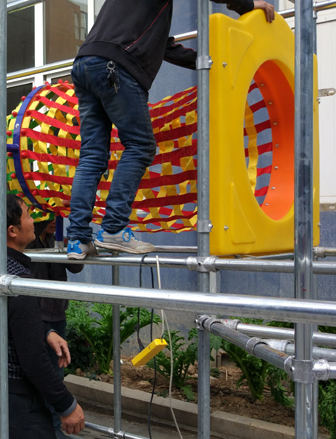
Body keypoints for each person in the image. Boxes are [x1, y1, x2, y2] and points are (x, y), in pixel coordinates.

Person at [66, 0, 276, 260]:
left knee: (92, 155)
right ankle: (113, 228)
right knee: (140, 146)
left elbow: (164, 46)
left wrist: (208, 61)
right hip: (116, 66)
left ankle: (77, 238)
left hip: (85, 63)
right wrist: (248, 4)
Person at [0, 195, 85, 439]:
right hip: (10, 394)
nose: (34, 221)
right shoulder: (14, 278)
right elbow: (32, 358)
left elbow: (7, 321)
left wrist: (45, 332)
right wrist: (67, 405)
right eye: (29, 216)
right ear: (12, 231)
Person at [26, 219, 84, 439]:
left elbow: (76, 267)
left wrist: (73, 247)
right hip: (37, 318)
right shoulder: (29, 244)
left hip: (57, 316)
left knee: (56, 372)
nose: (54, 222)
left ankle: (52, 423)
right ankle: (49, 424)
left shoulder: (56, 240)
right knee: (45, 373)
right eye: (49, 216)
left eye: (58, 218)